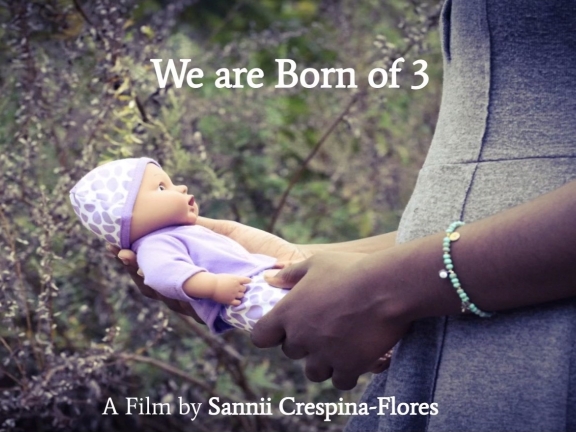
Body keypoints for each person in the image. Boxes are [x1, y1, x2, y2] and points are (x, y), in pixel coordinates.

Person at [116, 0, 576, 430]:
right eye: (158, 187)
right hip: (462, 316)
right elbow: (481, 203)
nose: (178, 188)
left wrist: (384, 287)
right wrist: (296, 263)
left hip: (543, 336)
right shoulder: (166, 247)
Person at [70, 157, 294, 333]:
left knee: (306, 304)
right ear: (125, 215)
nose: (182, 187)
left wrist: (273, 263)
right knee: (297, 314)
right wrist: (213, 287)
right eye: (161, 188)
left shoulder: (181, 233)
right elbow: (162, 273)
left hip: (255, 280)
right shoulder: (154, 244)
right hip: (243, 296)